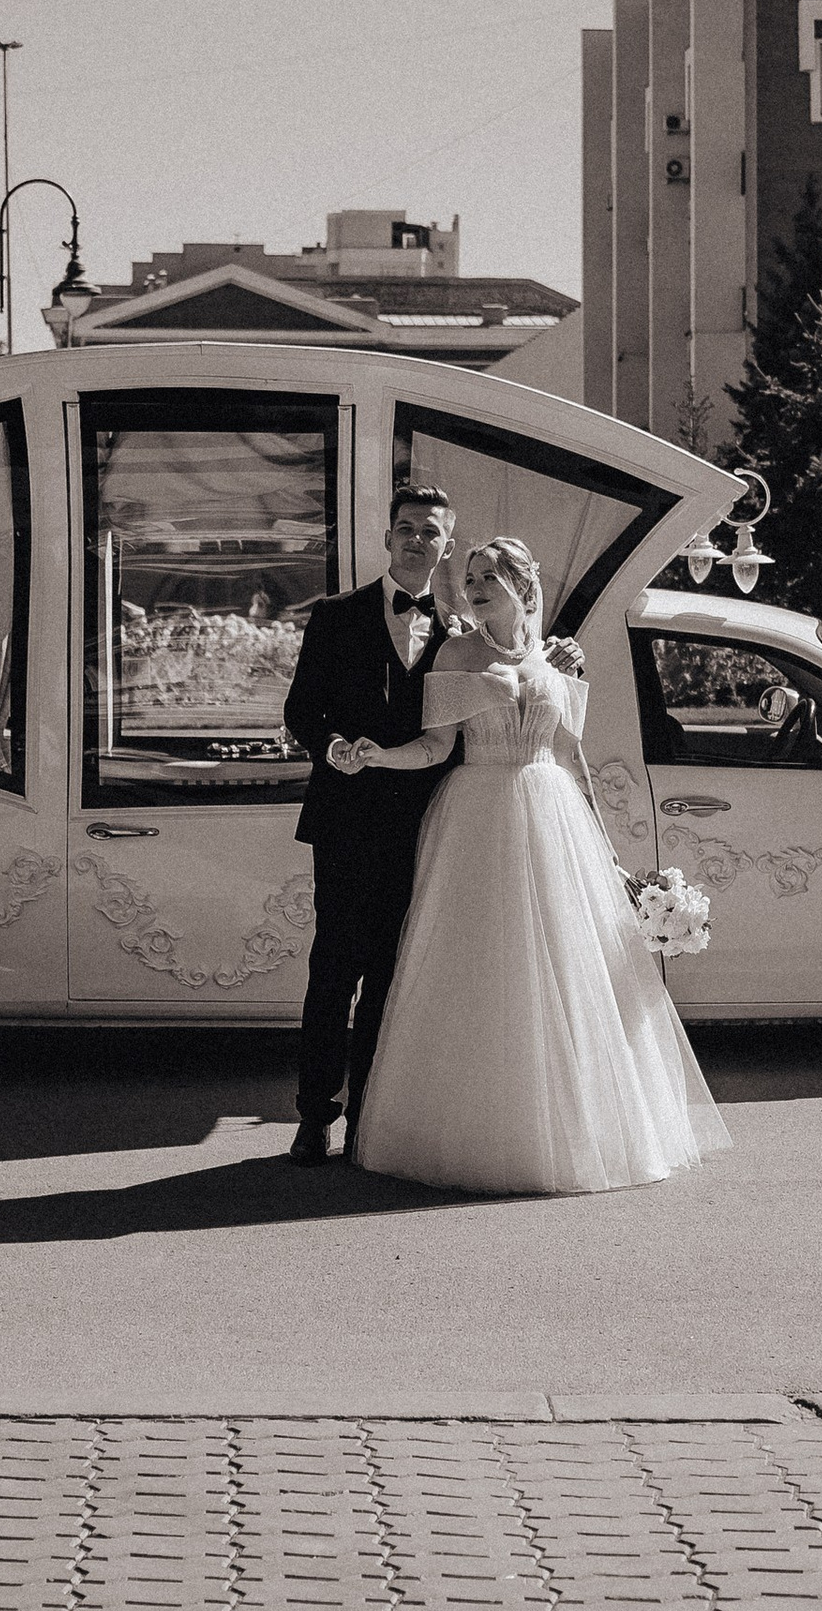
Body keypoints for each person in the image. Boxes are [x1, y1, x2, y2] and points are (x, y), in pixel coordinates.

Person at [342, 537, 731, 1199]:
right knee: (480, 968)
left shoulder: (558, 659)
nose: (475, 588)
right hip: (477, 815)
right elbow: (435, 747)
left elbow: (573, 756)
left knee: (568, 966)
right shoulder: (456, 654)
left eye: (489, 577)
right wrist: (379, 756)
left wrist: (607, 849)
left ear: (524, 587)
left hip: (555, 816)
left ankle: (578, 1130)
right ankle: (476, 1133)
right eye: (470, 578)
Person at [281, 484, 460, 1165]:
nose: (417, 539)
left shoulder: (459, 635)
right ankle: (314, 1115)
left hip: (423, 827)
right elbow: (303, 709)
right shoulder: (334, 616)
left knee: (392, 973)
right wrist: (332, 748)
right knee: (334, 969)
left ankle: (369, 1116)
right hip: (345, 822)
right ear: (388, 538)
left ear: (446, 546)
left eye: (430, 531)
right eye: (407, 527)